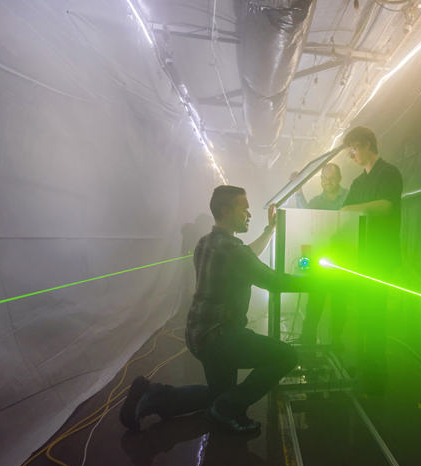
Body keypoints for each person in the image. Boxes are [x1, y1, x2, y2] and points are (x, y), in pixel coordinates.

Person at [120, 186, 310, 433]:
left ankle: (154, 396)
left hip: (198, 334)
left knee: (219, 395)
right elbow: (275, 282)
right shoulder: (233, 250)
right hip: (220, 337)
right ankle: (226, 409)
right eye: (245, 208)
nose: (249, 214)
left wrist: (269, 230)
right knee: (287, 356)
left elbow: (247, 255)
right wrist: (321, 282)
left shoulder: (207, 242)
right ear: (226, 211)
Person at [339, 126, 403, 395]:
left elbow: (386, 205)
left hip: (380, 258)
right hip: (360, 258)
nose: (350, 154)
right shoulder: (358, 183)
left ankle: (377, 378)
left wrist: (349, 209)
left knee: (375, 318)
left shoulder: (389, 173)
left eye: (352, 148)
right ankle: (365, 371)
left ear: (366, 143)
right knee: (363, 317)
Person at [289, 163, 349, 345]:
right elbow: (305, 215)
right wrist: (298, 191)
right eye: (324, 178)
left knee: (340, 299)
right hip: (322, 258)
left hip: (345, 258)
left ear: (339, 178)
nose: (327, 182)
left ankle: (336, 339)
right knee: (315, 297)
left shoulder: (351, 196)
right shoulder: (317, 201)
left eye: (331, 178)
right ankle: (308, 337)